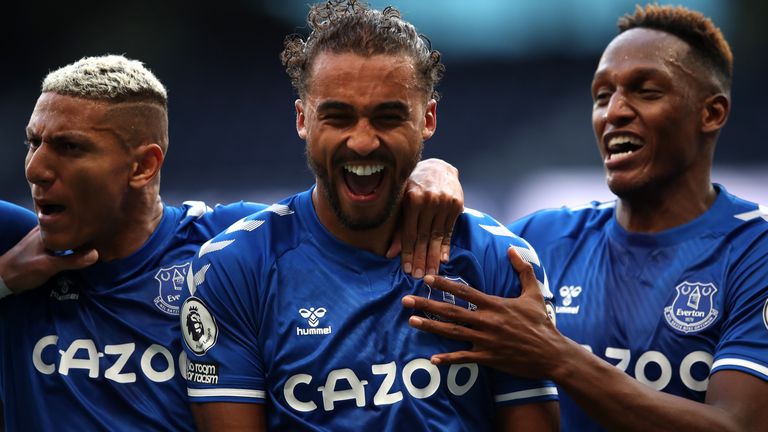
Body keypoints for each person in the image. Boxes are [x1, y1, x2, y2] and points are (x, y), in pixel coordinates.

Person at [0, 54, 463, 431]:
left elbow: (338, 218)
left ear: (143, 166)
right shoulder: (17, 245)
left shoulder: (231, 247)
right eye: (32, 143)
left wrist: (427, 172)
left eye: (69, 148)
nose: (35, 169)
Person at [180, 1, 559, 430]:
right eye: (338, 116)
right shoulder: (235, 267)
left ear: (428, 118)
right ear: (303, 120)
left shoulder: (497, 259)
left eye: (388, 117)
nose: (362, 142)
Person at [402, 4, 768, 431]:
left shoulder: (753, 252)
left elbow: (740, 425)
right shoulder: (540, 239)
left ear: (712, 113)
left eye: (646, 91)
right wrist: (429, 170)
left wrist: (555, 354)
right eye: (601, 95)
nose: (614, 112)